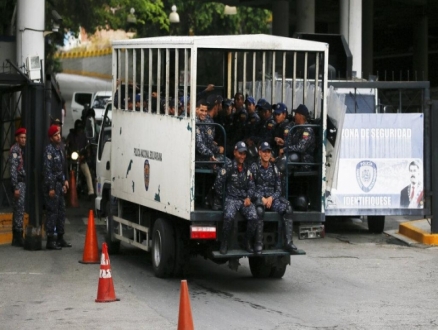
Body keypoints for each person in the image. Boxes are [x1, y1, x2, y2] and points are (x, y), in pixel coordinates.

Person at [250, 141, 298, 253]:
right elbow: (251, 189)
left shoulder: (275, 168)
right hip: (260, 199)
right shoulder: (254, 167)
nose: (266, 154)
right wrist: (262, 198)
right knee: (259, 210)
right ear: (260, 153)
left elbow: (279, 190)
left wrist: (271, 198)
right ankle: (258, 243)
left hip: (272, 200)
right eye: (264, 152)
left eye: (268, 152)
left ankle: (288, 242)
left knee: (288, 209)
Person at [213, 141, 260, 255]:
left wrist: (249, 197)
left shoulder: (247, 168)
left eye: (244, 154)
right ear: (235, 153)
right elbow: (218, 183)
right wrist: (223, 198)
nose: (242, 156)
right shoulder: (229, 166)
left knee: (254, 217)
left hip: (244, 200)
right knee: (228, 217)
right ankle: (224, 243)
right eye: (240, 153)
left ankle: (247, 241)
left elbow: (251, 186)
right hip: (231, 199)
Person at [43, 125, 72, 250]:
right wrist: (51, 187)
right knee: (52, 212)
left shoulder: (60, 149)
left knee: (61, 211)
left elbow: (63, 167)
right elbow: (48, 171)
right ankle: (50, 239)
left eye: (59, 134)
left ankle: (60, 238)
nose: (58, 136)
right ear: (51, 138)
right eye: (55, 135)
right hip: (53, 185)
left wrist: (65, 180)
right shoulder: (49, 151)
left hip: (60, 184)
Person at [66, 120, 95, 199]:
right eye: (78, 129)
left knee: (87, 173)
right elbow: (67, 144)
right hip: (72, 159)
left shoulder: (84, 136)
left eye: (80, 129)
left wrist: (84, 155)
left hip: (81, 159)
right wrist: (67, 151)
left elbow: (87, 148)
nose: (79, 131)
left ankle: (91, 192)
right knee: (65, 170)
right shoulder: (71, 135)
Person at [281, 104, 316, 170]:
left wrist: (285, 149)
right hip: (296, 158)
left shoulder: (307, 130)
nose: (294, 116)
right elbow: (292, 143)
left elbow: (300, 147)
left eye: (296, 114)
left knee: (285, 161)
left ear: (300, 116)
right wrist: (283, 143)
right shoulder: (297, 128)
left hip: (304, 162)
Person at [9, 127, 27, 247]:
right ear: (17, 138)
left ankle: (17, 236)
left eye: (25, 137)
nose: (23, 140)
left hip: (21, 183)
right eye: (21, 137)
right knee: (19, 210)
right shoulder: (15, 150)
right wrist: (15, 187)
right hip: (18, 183)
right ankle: (17, 237)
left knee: (19, 209)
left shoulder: (21, 150)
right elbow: (13, 171)